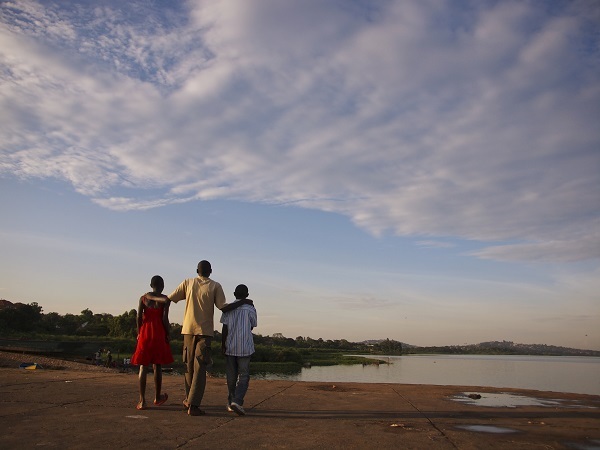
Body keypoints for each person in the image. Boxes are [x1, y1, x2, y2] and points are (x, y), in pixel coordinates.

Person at [146, 260, 252, 416]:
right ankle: (193, 405)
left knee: (188, 367)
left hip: (188, 330)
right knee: (200, 368)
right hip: (204, 332)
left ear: (197, 270)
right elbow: (223, 307)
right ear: (211, 271)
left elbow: (168, 299)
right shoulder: (215, 286)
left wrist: (151, 297)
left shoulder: (188, 283)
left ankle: (188, 400)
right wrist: (243, 302)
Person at [130, 275, 174, 410]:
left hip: (145, 333)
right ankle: (157, 396)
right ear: (163, 285)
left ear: (151, 285)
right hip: (159, 333)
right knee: (157, 366)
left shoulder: (143, 298)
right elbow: (165, 318)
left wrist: (139, 333)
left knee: (143, 366)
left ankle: (142, 400)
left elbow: (138, 317)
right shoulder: (164, 300)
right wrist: (168, 333)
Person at [220, 284, 257, 416]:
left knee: (231, 376)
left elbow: (224, 328)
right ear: (247, 295)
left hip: (230, 346)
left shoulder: (228, 309)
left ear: (234, 293)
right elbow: (252, 326)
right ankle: (237, 400)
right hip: (245, 348)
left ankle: (231, 402)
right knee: (244, 376)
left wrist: (223, 345)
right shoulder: (250, 309)